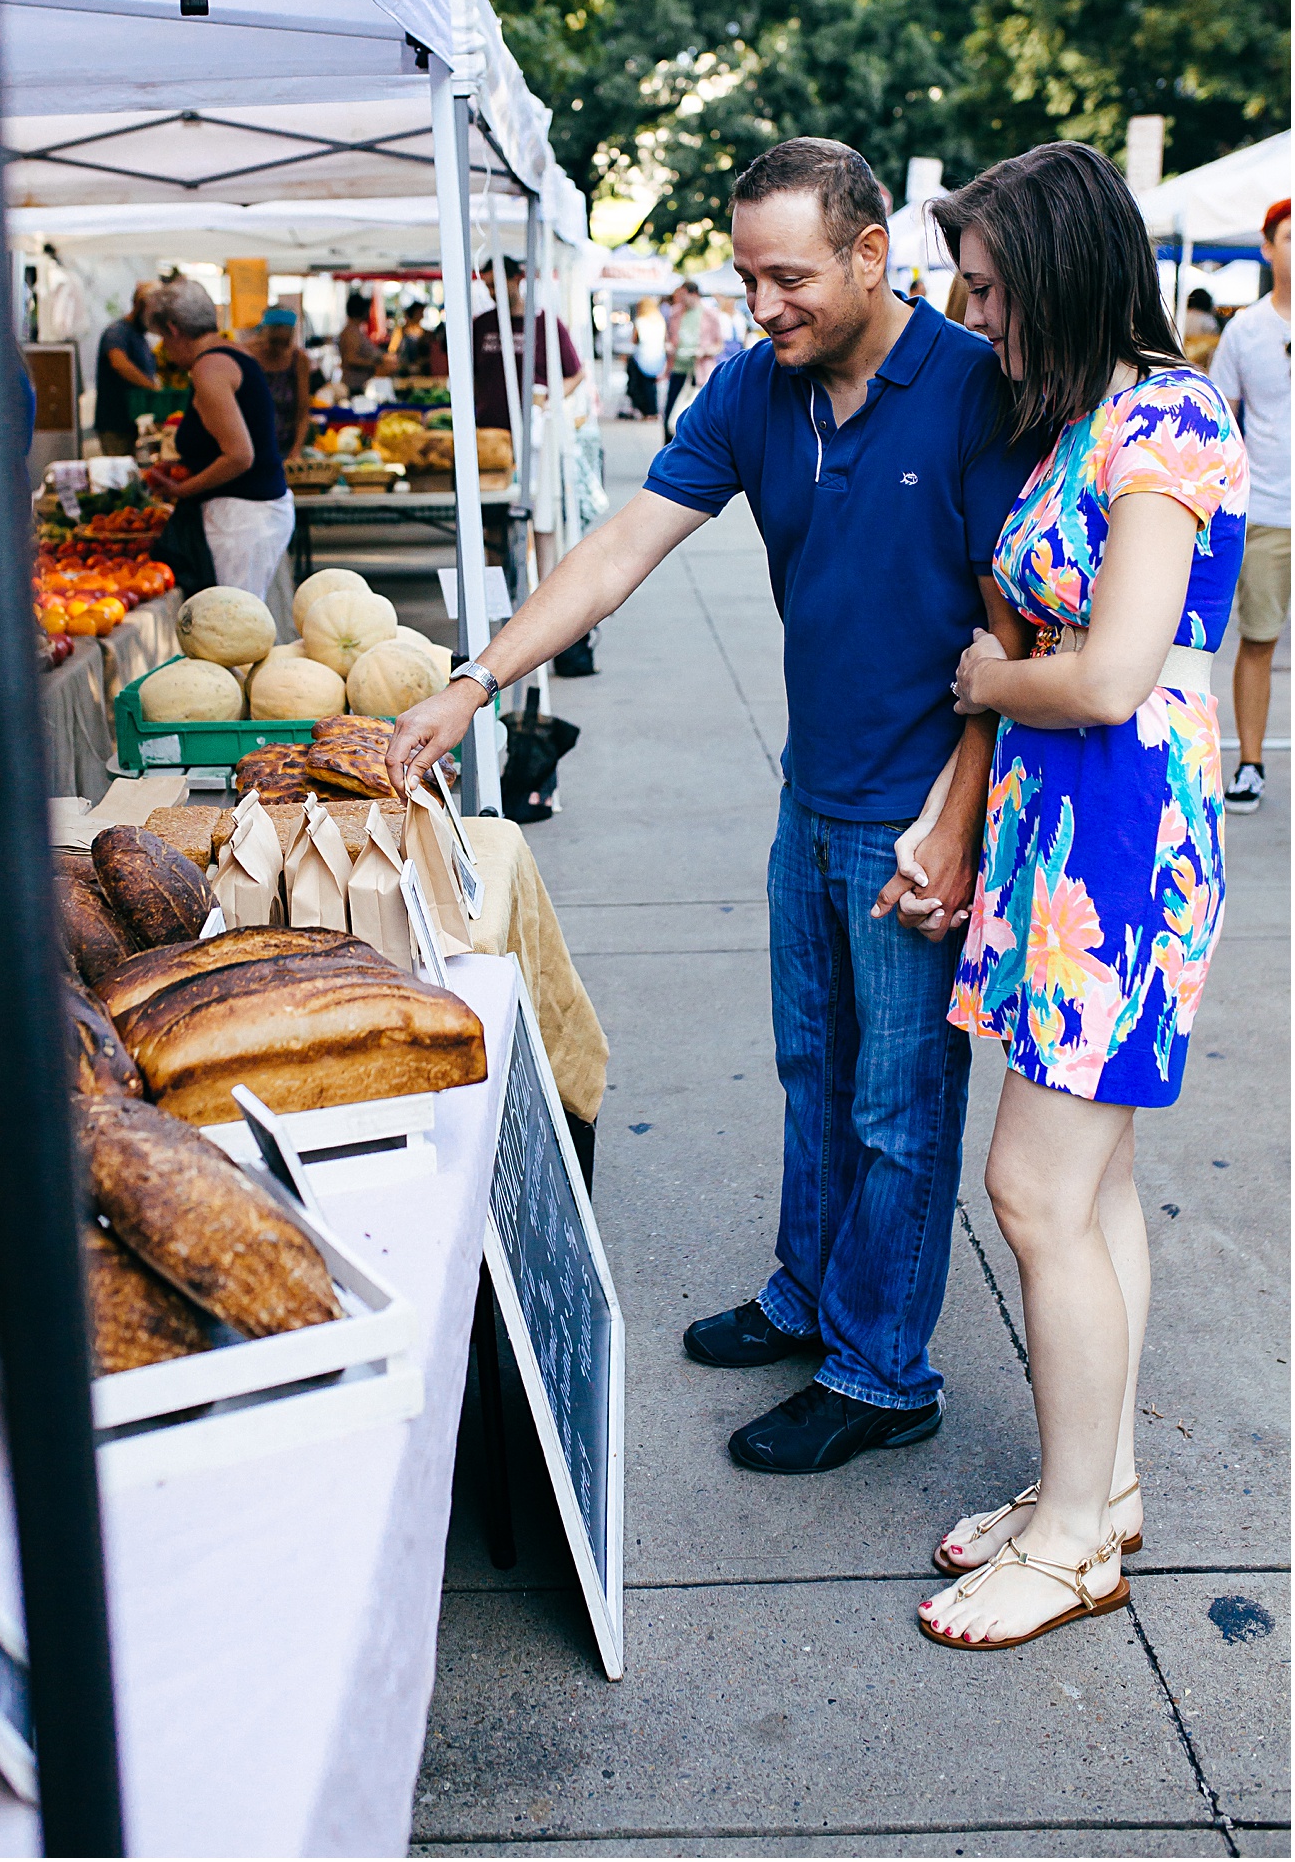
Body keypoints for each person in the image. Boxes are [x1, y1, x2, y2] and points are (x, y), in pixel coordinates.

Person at [387, 137, 1041, 1473]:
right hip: (813, 797)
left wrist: (957, 819)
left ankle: (879, 1372)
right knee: (815, 1074)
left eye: (787, 276)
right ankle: (811, 1295)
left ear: (870, 253)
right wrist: (478, 681)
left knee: (900, 1104)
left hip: (916, 812)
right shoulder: (756, 388)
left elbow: (1009, 634)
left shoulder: (970, 389)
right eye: (746, 278)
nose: (761, 307)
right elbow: (626, 545)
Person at [911, 143, 1246, 1653]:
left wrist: (992, 678)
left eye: (987, 288)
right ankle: (1091, 1489)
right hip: (1073, 844)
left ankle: (1071, 1542)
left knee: (1034, 1192)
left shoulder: (1163, 417)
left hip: (1118, 848)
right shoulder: (1092, 417)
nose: (975, 316)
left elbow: (1112, 677)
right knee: (1089, 1188)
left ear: (1051, 269)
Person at [1211, 198, 1290, 815]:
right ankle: (1251, 764)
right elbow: (1221, 422)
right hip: (1266, 511)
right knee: (1258, 639)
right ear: (1268, 249)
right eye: (1289, 238)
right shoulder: (1246, 330)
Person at [144, 279, 293, 601]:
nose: (166, 351)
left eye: (163, 340)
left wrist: (181, 490)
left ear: (173, 329)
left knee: (234, 626)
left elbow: (239, 455)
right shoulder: (233, 354)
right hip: (256, 513)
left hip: (242, 520)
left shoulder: (209, 368)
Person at [472, 258, 583, 431]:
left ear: (516, 278)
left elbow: (576, 374)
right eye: (488, 286)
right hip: (489, 428)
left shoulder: (545, 323)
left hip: (533, 429)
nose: (491, 292)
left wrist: (549, 402)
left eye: (495, 285)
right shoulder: (482, 324)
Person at [92, 281, 160, 455]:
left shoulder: (140, 337)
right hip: (116, 424)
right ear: (138, 306)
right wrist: (151, 387)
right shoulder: (117, 332)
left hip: (133, 422)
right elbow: (119, 363)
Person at [249, 306, 312, 463]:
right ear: (262, 333)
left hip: (284, 449)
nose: (279, 348)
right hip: (249, 448)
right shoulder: (246, 355)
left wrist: (295, 451)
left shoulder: (298, 360)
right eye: (274, 341)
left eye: (285, 343)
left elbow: (303, 412)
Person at [661, 279, 702, 442]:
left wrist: (703, 351)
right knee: (670, 412)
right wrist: (668, 346)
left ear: (693, 294)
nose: (681, 299)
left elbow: (718, 344)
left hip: (697, 372)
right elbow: (668, 337)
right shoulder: (675, 312)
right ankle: (668, 448)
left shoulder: (708, 314)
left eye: (684, 295)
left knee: (693, 414)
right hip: (677, 368)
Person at [622, 297, 664, 418]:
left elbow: (634, 340)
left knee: (641, 385)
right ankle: (653, 411)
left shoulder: (640, 321)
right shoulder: (660, 320)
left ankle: (647, 412)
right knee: (651, 386)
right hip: (657, 356)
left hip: (643, 357)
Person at [338, 291, 385, 396]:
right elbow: (350, 359)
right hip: (354, 387)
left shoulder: (356, 330)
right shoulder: (351, 333)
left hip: (359, 385)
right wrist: (376, 364)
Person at [387, 299, 433, 378]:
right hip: (404, 371)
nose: (422, 315)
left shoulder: (426, 333)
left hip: (421, 372)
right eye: (419, 312)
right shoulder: (400, 331)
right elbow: (392, 350)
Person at [1182, 284, 1222, 367]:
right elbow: (1212, 348)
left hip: (1181, 360)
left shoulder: (1182, 317)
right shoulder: (1208, 320)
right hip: (1200, 365)